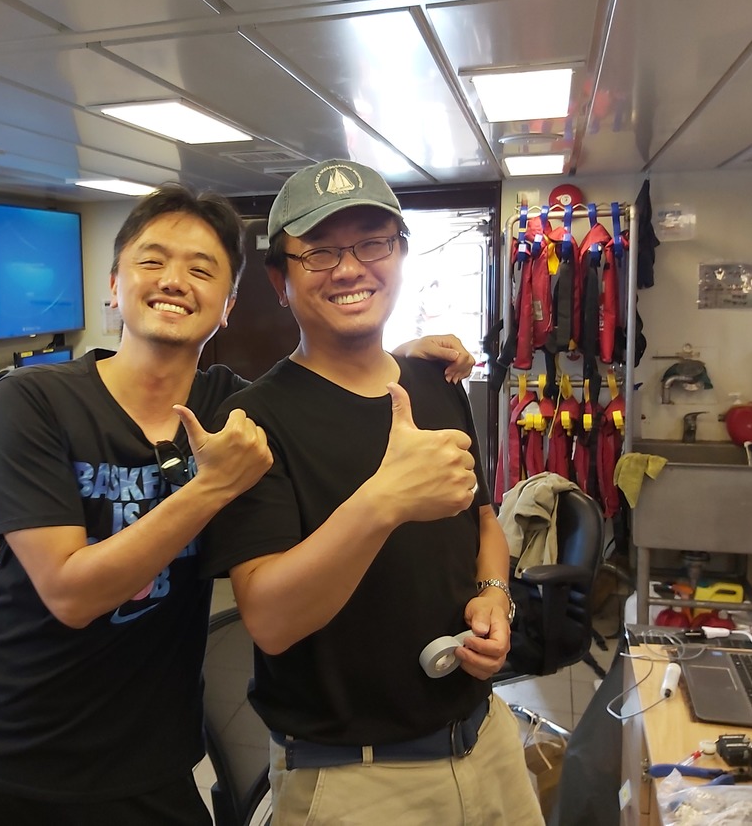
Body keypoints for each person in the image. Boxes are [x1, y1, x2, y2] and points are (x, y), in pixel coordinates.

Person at [0, 182, 477, 825]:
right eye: (152, 261)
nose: (174, 280)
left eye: (201, 270)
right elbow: (70, 593)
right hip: (21, 748)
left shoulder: (231, 408)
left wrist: (399, 360)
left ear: (227, 306)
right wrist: (209, 488)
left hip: (159, 751)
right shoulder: (36, 400)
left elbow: (318, 388)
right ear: (113, 286)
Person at [201, 159, 543, 826]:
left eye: (372, 242)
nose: (351, 268)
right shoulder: (256, 423)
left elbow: (483, 526)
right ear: (281, 280)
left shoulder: (437, 380)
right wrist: (384, 499)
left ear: (401, 256)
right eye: (320, 251)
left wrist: (494, 598)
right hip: (352, 781)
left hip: (487, 741)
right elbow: (269, 621)